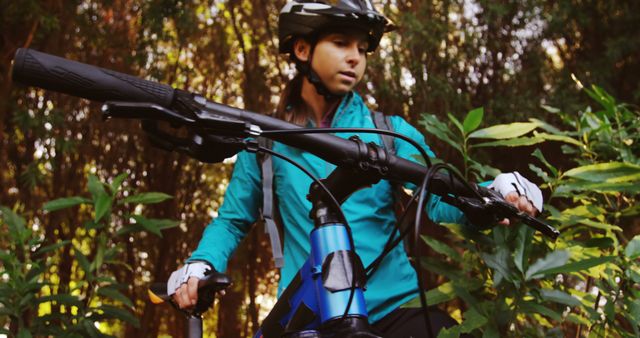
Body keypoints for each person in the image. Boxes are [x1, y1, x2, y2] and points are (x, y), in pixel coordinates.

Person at [167, 1, 542, 337]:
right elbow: (233, 220)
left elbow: (439, 199)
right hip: (309, 312)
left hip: (397, 310)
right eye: (341, 43)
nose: (355, 58)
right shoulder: (266, 143)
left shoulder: (391, 134)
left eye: (362, 48)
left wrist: (495, 190)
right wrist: (201, 264)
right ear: (302, 48)